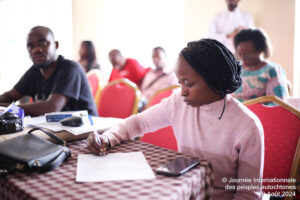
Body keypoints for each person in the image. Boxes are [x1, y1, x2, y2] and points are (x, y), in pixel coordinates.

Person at [87, 39, 264, 199]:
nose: (182, 90)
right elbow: (138, 123)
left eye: (188, 83)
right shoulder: (179, 102)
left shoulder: (247, 126)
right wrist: (107, 138)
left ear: (215, 80)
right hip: (182, 192)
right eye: (180, 82)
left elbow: (247, 195)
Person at [0, 26, 98, 116]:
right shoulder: (35, 71)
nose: (35, 50)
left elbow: (52, 108)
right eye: (30, 46)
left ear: (55, 45)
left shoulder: (70, 68)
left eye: (43, 43)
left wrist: (7, 109)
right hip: (55, 131)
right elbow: (9, 95)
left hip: (87, 132)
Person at [232, 28, 289, 102]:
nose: (243, 58)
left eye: (248, 54)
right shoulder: (235, 69)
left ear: (260, 50)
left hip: (256, 113)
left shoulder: (272, 70)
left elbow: (277, 103)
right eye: (240, 54)